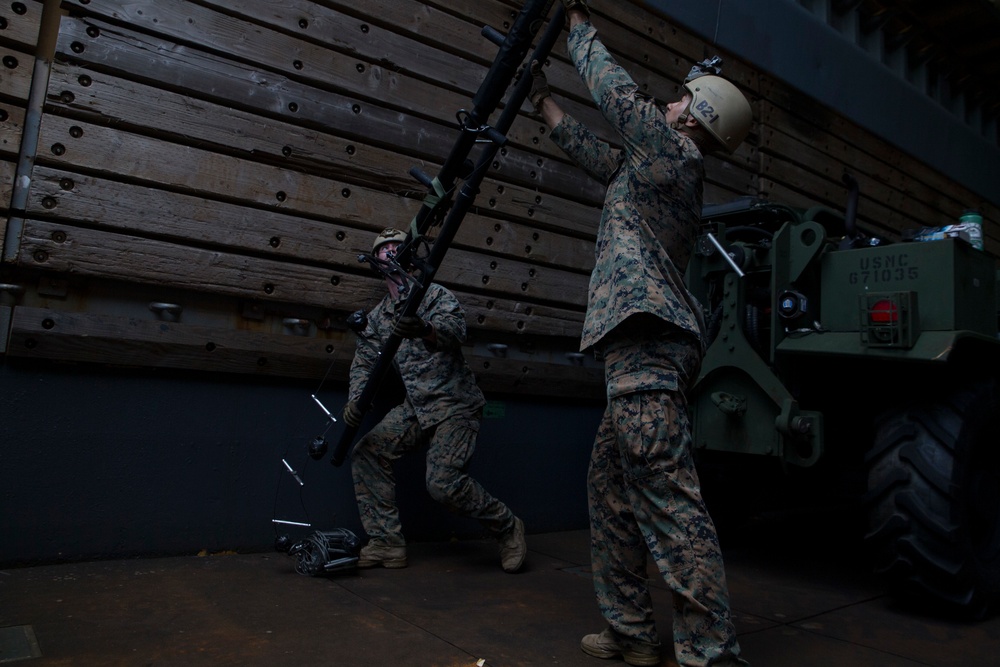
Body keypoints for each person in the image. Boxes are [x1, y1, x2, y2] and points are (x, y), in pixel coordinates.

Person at [528, 1, 753, 665]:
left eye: (679, 98)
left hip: (648, 345)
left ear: (692, 113)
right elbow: (602, 158)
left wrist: (575, 24)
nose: (666, 103)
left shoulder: (674, 153)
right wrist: (544, 107)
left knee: (666, 497)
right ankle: (631, 630)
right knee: (612, 487)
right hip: (640, 349)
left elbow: (616, 94)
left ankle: (711, 651)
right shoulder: (653, 166)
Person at [342, 227, 527, 573]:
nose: (392, 252)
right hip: (418, 407)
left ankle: (507, 526)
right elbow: (365, 363)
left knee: (442, 485)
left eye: (399, 247)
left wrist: (425, 329)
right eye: (385, 248)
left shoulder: (433, 295)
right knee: (368, 452)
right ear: (376, 262)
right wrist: (355, 400)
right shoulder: (379, 318)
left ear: (409, 256)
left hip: (456, 402)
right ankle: (386, 543)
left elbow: (456, 331)